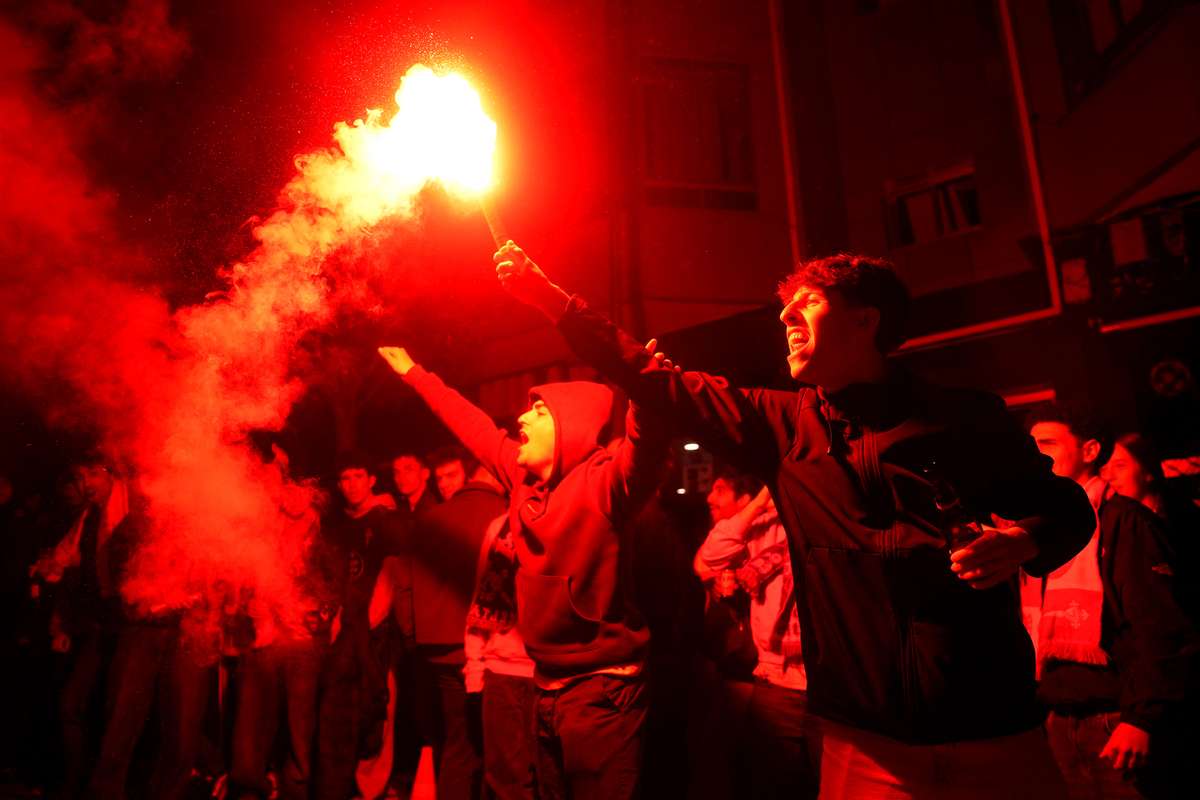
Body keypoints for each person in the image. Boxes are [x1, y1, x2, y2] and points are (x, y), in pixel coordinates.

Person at [494, 241, 1095, 798]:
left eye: (807, 302)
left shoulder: (964, 418)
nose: (785, 318)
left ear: (867, 320)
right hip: (865, 744)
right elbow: (654, 379)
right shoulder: (777, 425)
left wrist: (1024, 539)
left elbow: (1067, 508)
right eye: (784, 308)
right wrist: (548, 298)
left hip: (998, 733)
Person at [378, 343, 667, 800]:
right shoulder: (522, 479)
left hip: (603, 692)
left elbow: (646, 444)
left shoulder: (605, 484)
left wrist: (646, 387)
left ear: (569, 426)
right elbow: (471, 423)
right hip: (544, 686)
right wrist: (416, 373)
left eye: (538, 410)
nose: (522, 419)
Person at [1027, 406, 1200, 799]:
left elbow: (1160, 623)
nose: (1036, 453)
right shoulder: (1036, 528)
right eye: (1031, 445)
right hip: (1057, 719)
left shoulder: (1123, 520)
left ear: (1090, 451)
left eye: (1048, 443)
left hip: (1115, 719)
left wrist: (1143, 719)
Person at [695, 474, 818, 799]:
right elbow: (709, 557)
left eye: (720, 489)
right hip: (776, 685)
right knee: (769, 785)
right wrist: (763, 500)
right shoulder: (764, 527)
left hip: (829, 685)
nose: (710, 498)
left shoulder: (819, 523)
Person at [32, 454, 130, 800]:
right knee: (73, 704)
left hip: (127, 628)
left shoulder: (130, 514)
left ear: (112, 478)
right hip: (98, 628)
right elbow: (66, 565)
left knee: (119, 711)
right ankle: (76, 783)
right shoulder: (88, 519)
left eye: (93, 474)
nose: (87, 482)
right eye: (83, 475)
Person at [314, 451, 404, 800]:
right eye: (345, 479)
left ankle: (373, 789)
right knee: (337, 715)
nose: (351, 485)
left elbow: (393, 575)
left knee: (377, 709)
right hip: (342, 633)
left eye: (357, 477)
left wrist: (371, 623)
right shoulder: (338, 527)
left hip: (375, 634)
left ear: (371, 480)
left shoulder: (386, 522)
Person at [463, 512, 537, 800]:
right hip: (502, 669)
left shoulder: (568, 516)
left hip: (551, 672)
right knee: (505, 782)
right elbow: (481, 593)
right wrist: (475, 669)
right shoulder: (500, 527)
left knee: (548, 779)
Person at [392, 452, 438, 517]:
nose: (401, 477)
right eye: (397, 472)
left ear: (425, 474)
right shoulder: (403, 506)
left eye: (408, 470)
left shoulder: (433, 510)